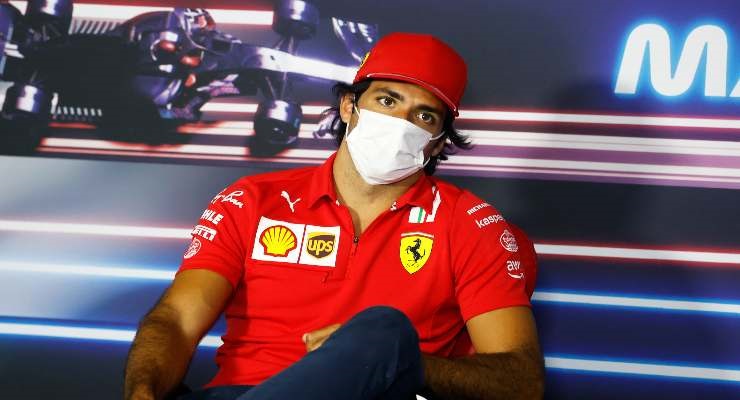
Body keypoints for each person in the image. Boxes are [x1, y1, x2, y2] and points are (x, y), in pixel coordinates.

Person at [124, 32, 544, 400]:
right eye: (386, 100)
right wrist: (143, 392)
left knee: (384, 331)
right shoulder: (251, 201)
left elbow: (519, 381)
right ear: (348, 106)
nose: (400, 123)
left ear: (436, 143)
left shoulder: (471, 224)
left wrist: (398, 361)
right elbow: (177, 320)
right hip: (240, 392)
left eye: (424, 115)